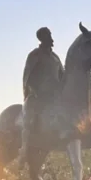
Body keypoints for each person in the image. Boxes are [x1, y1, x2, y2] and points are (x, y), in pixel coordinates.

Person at [19, 27, 64, 166]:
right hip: (38, 95)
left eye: (50, 34)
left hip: (55, 95)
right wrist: (32, 90)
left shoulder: (55, 57)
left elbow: (62, 75)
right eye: (48, 35)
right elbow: (27, 76)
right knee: (30, 119)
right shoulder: (35, 55)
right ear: (42, 38)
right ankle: (24, 150)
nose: (51, 38)